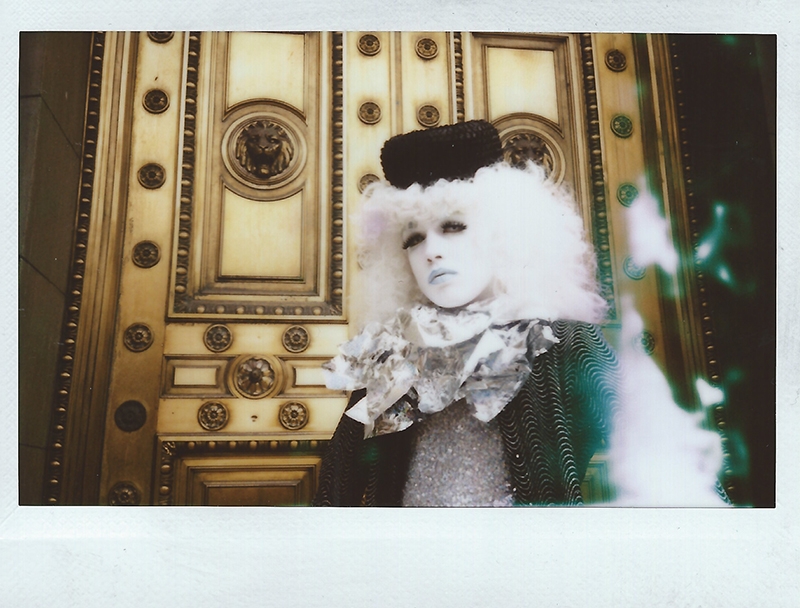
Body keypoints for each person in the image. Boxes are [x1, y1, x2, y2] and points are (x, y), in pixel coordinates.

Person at [313, 120, 620, 506]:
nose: (431, 252)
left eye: (453, 226)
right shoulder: (392, 353)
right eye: (413, 239)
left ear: (503, 232)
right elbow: (336, 488)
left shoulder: (563, 344)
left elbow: (652, 456)